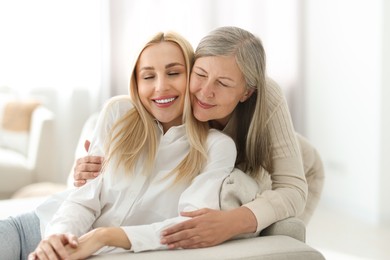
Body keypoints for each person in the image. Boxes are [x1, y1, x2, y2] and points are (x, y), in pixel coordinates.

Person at [74, 26, 325, 249]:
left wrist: (232, 222)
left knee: (278, 233)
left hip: (293, 166)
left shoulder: (265, 98)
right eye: (201, 75)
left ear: (246, 92)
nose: (205, 93)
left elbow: (292, 189)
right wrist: (95, 168)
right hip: (224, 159)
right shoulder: (176, 91)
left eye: (223, 84)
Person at [0, 31, 237, 260]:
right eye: (148, 76)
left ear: (192, 78)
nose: (161, 87)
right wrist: (57, 238)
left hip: (96, 251)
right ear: (136, 83)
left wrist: (106, 237)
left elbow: (189, 225)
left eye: (173, 73)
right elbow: (84, 199)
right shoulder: (118, 114)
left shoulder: (217, 148)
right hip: (37, 230)